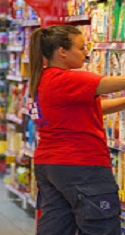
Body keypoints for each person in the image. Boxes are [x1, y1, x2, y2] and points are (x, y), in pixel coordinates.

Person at [29, 25, 125, 235]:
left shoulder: (42, 79)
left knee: (56, 226)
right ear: (62, 52)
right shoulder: (66, 79)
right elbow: (117, 82)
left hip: (50, 165)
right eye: (82, 48)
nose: (86, 53)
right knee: (101, 227)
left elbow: (92, 108)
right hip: (82, 166)